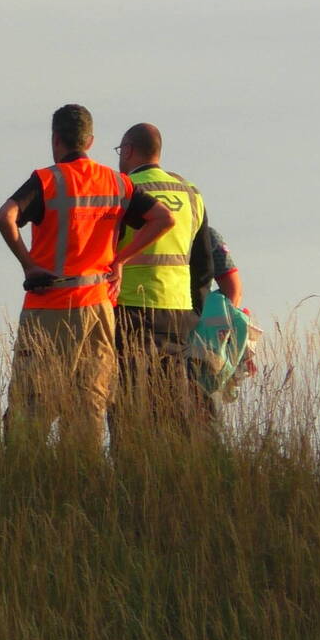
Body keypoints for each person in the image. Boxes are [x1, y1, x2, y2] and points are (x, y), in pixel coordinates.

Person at [0, 105, 175, 447]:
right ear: (90, 141)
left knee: (30, 407)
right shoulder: (116, 182)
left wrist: (28, 264)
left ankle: (22, 480)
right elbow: (163, 219)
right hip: (97, 307)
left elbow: (6, 216)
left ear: (56, 139)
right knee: (88, 404)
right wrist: (120, 260)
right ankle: (84, 482)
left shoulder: (47, 180)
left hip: (48, 306)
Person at [112, 123, 215, 439]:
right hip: (179, 312)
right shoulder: (190, 192)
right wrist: (196, 312)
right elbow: (203, 264)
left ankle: (129, 464)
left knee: (126, 401)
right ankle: (170, 462)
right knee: (169, 399)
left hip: (130, 307)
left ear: (128, 150)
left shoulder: (122, 189)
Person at [202, 226, 242, 308]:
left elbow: (233, 290)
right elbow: (234, 291)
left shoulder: (208, 235)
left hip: (195, 313)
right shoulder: (207, 235)